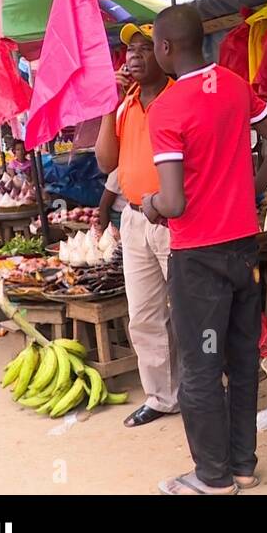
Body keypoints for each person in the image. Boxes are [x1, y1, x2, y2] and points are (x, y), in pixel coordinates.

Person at [144, 5, 267, 495]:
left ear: (165, 48)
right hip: (242, 252)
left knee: (201, 367)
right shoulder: (234, 85)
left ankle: (211, 477)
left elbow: (174, 201)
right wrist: (249, 188)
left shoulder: (166, 108)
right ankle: (243, 467)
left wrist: (149, 204)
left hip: (198, 261)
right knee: (241, 357)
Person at [95, 23, 179, 428]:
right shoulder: (125, 105)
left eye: (145, 48)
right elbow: (105, 162)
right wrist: (110, 103)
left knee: (187, 310)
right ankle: (162, 397)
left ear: (164, 52)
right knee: (144, 314)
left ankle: (203, 390)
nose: (134, 56)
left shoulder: (177, 97)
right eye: (130, 49)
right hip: (133, 218)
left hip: (173, 216)